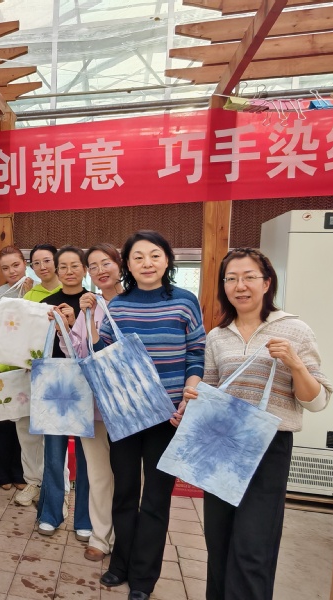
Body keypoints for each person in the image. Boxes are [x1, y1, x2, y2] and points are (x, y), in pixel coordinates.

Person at [180, 248, 331, 600]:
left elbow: (317, 400)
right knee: (218, 542)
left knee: (253, 547)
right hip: (222, 444)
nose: (240, 286)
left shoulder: (295, 329)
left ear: (266, 283)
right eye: (231, 278)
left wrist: (295, 364)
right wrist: (195, 397)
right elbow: (212, 388)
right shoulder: (218, 336)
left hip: (268, 447)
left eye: (249, 277)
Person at [86, 230, 206, 600]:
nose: (147, 263)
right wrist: (90, 319)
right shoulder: (118, 305)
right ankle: (120, 562)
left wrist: (190, 391)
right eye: (138, 257)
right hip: (125, 414)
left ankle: (143, 576)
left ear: (167, 259)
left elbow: (196, 352)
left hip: (168, 416)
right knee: (124, 491)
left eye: (154, 255)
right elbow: (104, 355)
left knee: (156, 497)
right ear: (128, 264)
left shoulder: (185, 301)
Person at [53, 243, 122, 560]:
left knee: (129, 473)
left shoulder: (133, 304)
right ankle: (100, 535)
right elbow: (76, 352)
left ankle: (124, 534)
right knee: (96, 472)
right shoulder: (89, 307)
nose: (100, 271)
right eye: (93, 266)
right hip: (92, 401)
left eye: (105, 263)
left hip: (127, 402)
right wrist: (68, 327)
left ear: (120, 265)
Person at [0, 243, 60, 507]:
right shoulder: (23, 296)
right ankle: (27, 480)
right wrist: (0, 367)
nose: (42, 267)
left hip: (57, 373)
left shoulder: (65, 291)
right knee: (22, 428)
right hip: (22, 368)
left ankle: (55, 487)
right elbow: (14, 339)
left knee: (52, 435)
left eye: (46, 261)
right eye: (37, 262)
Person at [36, 246, 91, 539]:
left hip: (88, 384)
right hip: (53, 384)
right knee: (54, 453)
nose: (69, 271)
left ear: (85, 269)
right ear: (57, 271)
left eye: (75, 265)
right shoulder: (45, 304)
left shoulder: (93, 303)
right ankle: (50, 513)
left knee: (88, 456)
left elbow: (99, 346)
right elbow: (35, 346)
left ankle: (85, 518)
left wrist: (73, 322)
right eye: (63, 267)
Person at [0, 246, 32, 491]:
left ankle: (21, 473)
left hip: (28, 360)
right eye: (5, 268)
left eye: (16, 265)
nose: (12, 271)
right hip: (1, 358)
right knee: (2, 416)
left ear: (25, 264)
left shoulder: (37, 289)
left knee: (23, 416)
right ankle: (0, 473)